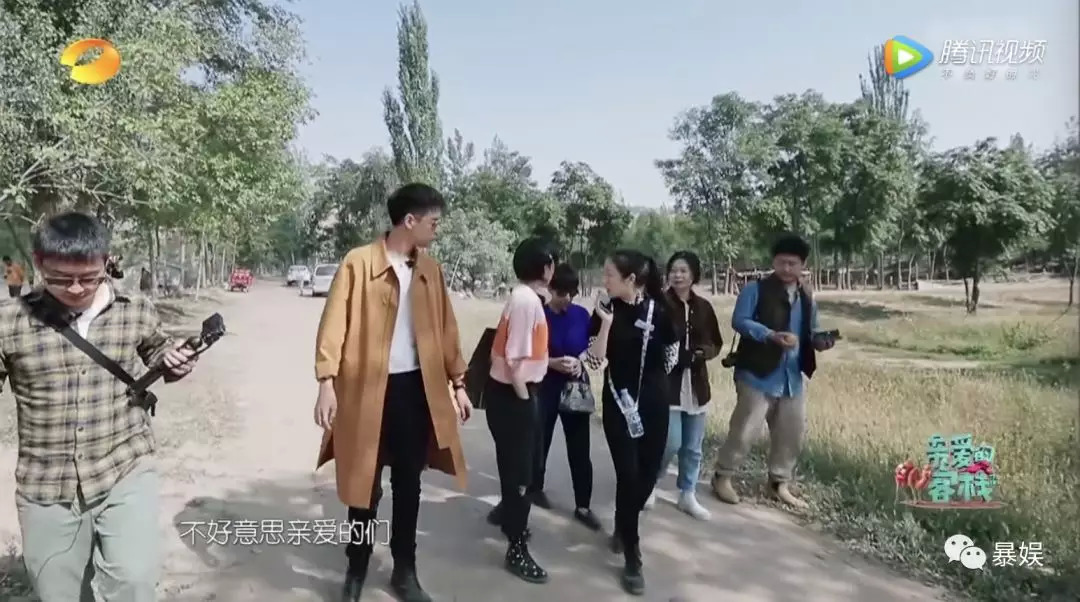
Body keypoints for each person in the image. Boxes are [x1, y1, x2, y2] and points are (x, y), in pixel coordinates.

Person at [1, 212, 197, 602]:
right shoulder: (9, 323)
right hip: (47, 484)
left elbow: (158, 350)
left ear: (106, 262)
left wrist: (176, 361)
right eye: (61, 278)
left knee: (134, 582)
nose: (76, 289)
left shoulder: (134, 309)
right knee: (60, 594)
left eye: (89, 277)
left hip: (124, 466)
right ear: (38, 263)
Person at [313, 183, 474, 602]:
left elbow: (446, 330)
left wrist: (458, 383)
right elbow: (333, 325)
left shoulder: (430, 270)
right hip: (365, 389)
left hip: (414, 391)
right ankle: (357, 566)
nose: (436, 230)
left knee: (408, 483)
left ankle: (405, 569)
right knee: (363, 483)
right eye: (433, 222)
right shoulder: (358, 263)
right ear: (409, 221)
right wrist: (326, 383)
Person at [709, 233, 836, 509]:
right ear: (773, 262)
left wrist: (820, 341)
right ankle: (723, 475)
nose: (786, 268)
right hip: (757, 373)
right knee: (745, 430)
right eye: (781, 262)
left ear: (803, 265)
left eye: (793, 263)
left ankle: (779, 483)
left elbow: (811, 329)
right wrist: (769, 335)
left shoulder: (807, 295)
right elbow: (739, 321)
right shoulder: (755, 289)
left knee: (791, 433)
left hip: (792, 376)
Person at [583, 249, 678, 596]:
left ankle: (624, 523)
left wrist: (652, 386)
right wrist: (606, 324)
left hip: (654, 403)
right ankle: (633, 556)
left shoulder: (660, 310)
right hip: (618, 403)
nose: (604, 280)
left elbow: (670, 355)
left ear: (631, 279)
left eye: (609, 274)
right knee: (628, 474)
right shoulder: (603, 311)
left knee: (648, 474)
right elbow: (595, 361)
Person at [484, 236, 557, 583]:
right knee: (522, 477)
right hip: (516, 394)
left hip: (508, 393)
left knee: (514, 467)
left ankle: (507, 515)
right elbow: (514, 359)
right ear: (546, 268)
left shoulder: (524, 297)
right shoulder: (527, 301)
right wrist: (525, 400)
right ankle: (516, 547)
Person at [646, 250, 723, 520]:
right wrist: (675, 355)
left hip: (696, 385)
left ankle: (687, 493)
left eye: (683, 271)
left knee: (693, 446)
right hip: (668, 383)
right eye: (673, 270)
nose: (677, 276)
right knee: (670, 442)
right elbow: (650, 341)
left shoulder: (704, 307)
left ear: (694, 275)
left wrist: (702, 353)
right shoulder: (658, 304)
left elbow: (716, 342)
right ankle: (650, 482)